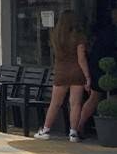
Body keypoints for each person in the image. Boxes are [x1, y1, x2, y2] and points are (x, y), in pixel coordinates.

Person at [36, 10, 92, 142]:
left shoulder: (56, 36)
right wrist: (87, 76)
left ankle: (45, 130)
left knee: (55, 103)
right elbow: (81, 59)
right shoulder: (79, 37)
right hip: (77, 72)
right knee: (75, 104)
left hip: (61, 72)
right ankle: (73, 133)